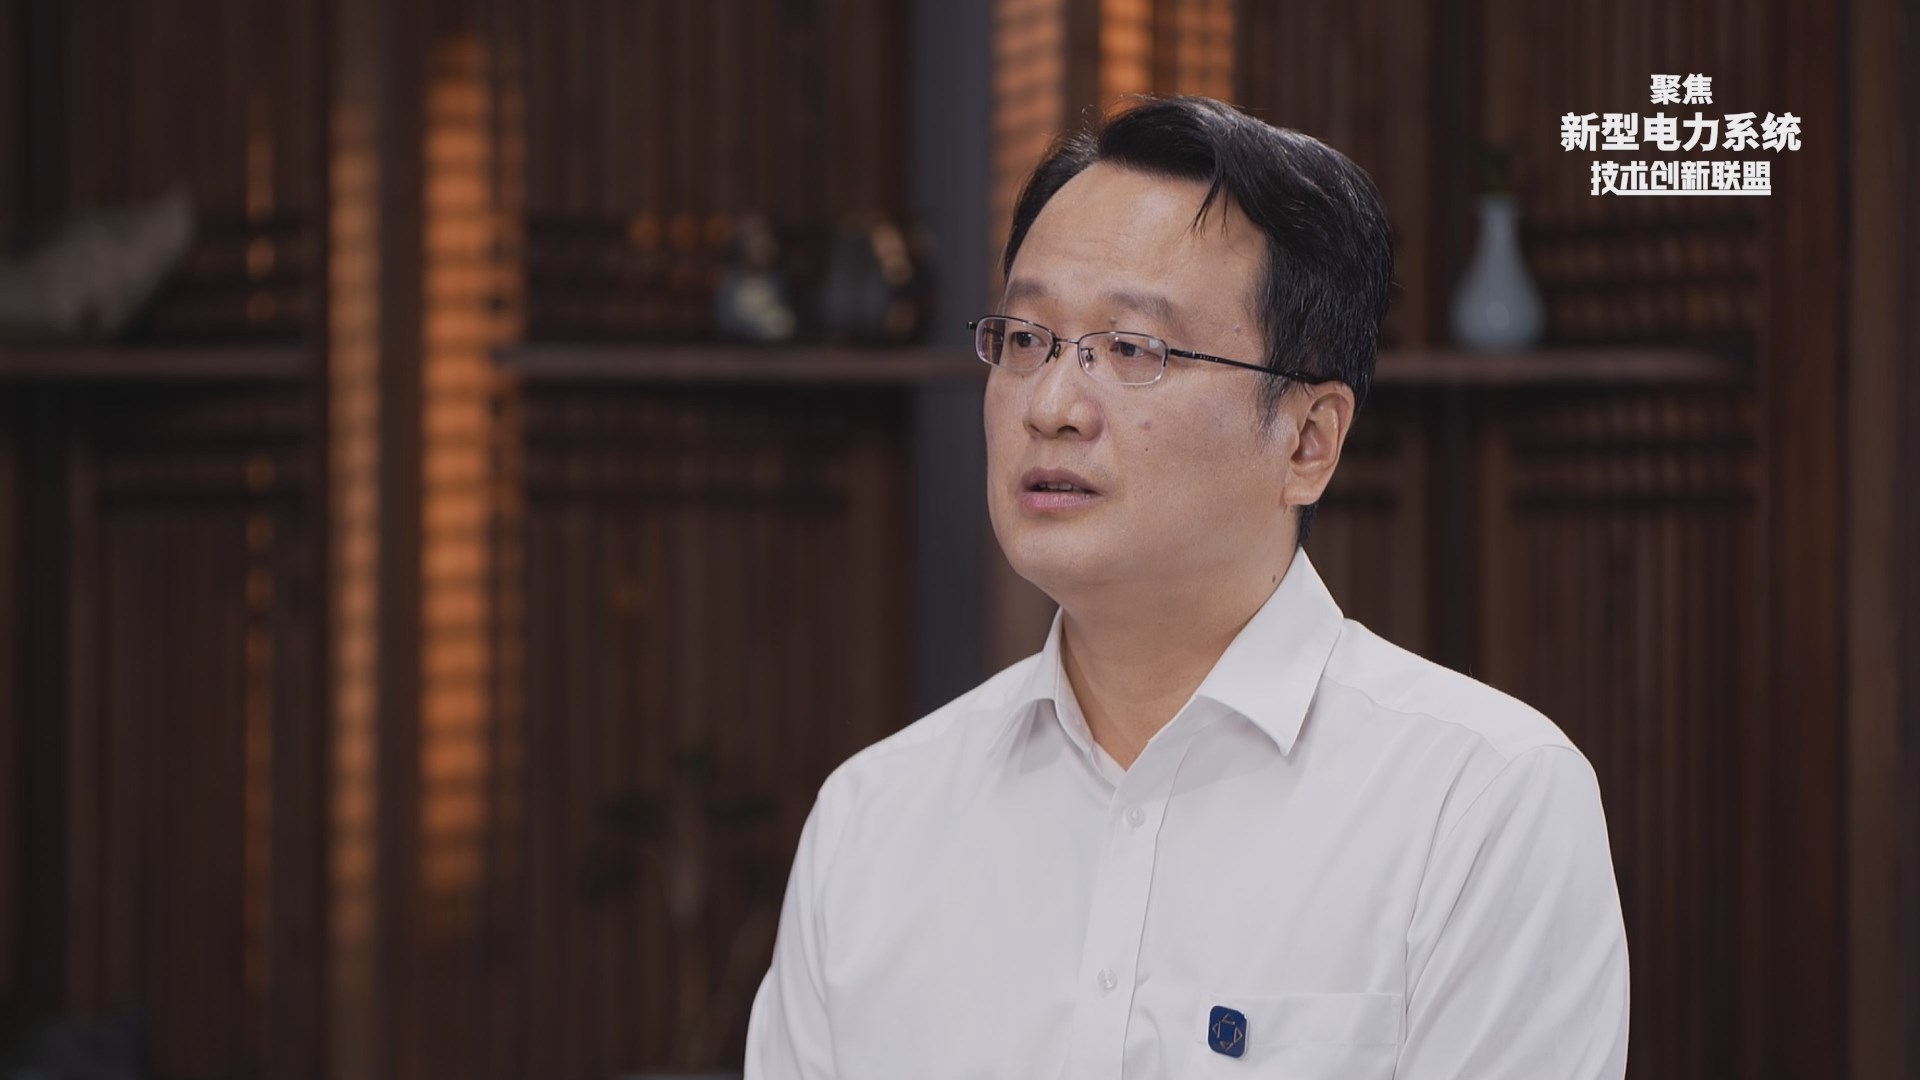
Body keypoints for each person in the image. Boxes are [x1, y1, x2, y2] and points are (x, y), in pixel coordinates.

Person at [744, 95, 1629, 1079]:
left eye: (1133, 349)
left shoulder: (1480, 801)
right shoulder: (872, 821)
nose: (1052, 405)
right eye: (1026, 339)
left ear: (1307, 441)